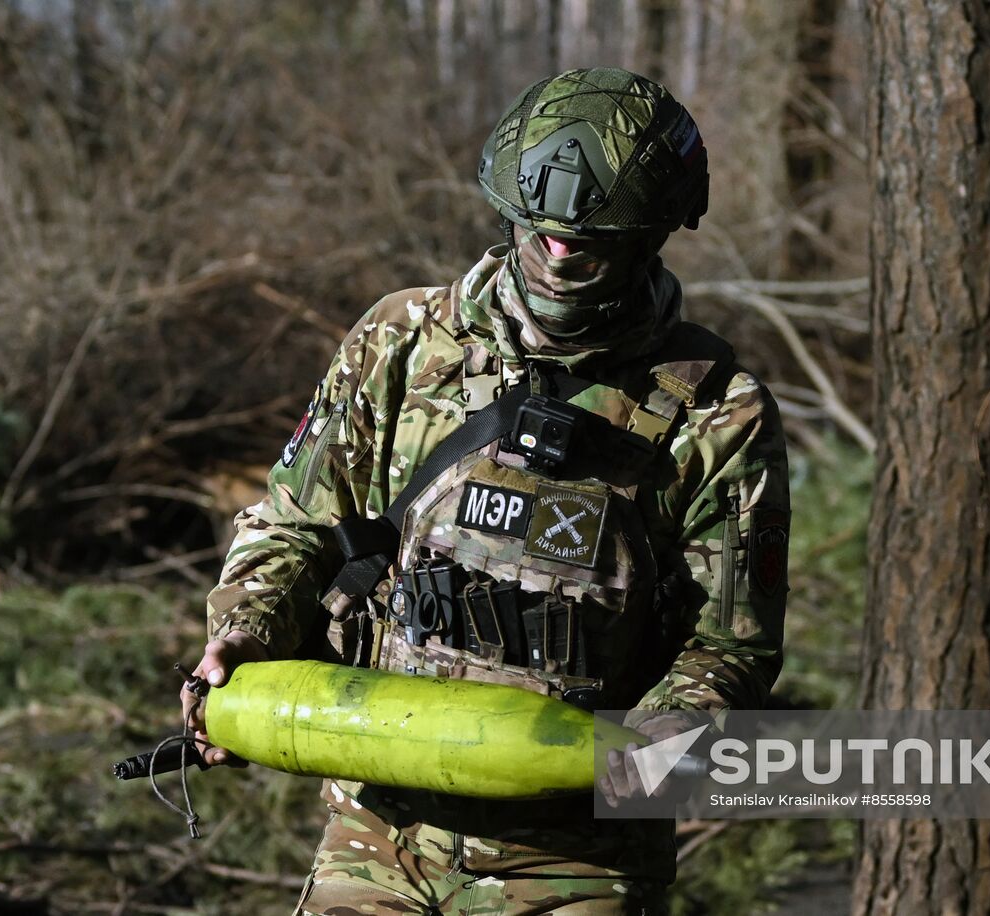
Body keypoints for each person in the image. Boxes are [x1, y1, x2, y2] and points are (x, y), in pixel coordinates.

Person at [181, 67, 790, 915]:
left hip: (578, 857)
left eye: (592, 234)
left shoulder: (715, 412)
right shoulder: (400, 345)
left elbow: (730, 644)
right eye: (539, 228)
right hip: (379, 829)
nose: (561, 249)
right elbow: (293, 525)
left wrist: (655, 747)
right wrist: (243, 634)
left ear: (654, 229)